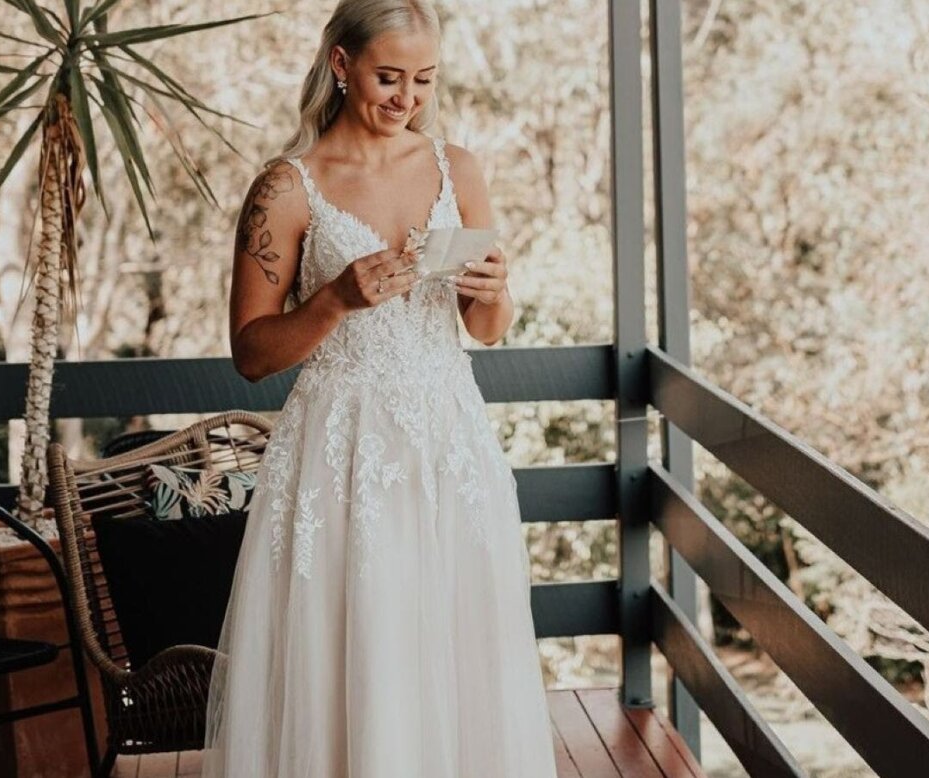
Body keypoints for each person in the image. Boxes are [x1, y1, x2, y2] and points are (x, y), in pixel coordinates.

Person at [201, 1, 559, 776]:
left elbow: (487, 327)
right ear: (340, 64)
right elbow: (252, 353)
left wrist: (494, 288)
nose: (407, 98)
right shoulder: (286, 189)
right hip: (340, 455)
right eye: (388, 77)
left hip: (449, 446)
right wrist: (334, 300)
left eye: (424, 80)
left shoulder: (455, 169)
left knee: (458, 643)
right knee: (353, 648)